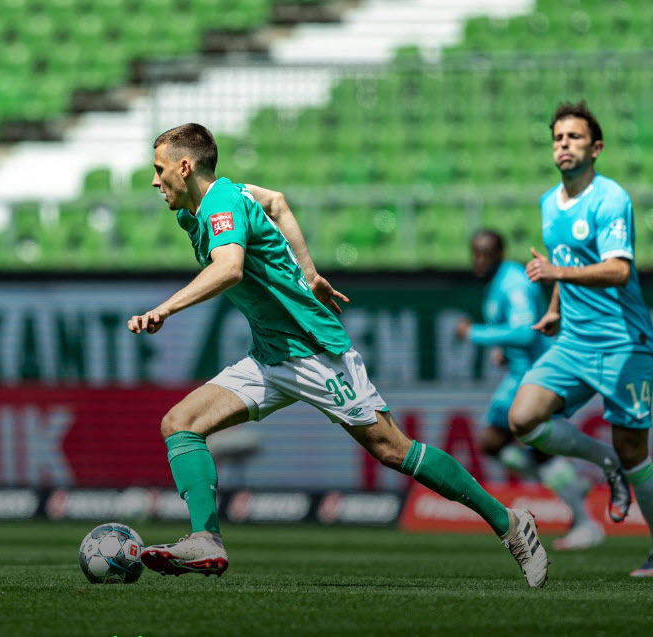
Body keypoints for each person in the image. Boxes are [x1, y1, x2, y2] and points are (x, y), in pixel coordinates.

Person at [127, 123, 548, 587]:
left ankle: (510, 524)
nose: (154, 180)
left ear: (184, 167)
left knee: (393, 449)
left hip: (313, 351)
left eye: (158, 169)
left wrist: (165, 308)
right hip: (270, 355)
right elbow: (278, 202)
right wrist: (309, 273)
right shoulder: (213, 202)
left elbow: (230, 268)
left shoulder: (221, 204)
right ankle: (205, 539)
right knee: (179, 424)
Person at [508, 101, 653, 577]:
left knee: (637, 451)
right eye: (557, 138)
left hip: (622, 344)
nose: (563, 145)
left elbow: (617, 269)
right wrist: (553, 309)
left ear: (597, 147)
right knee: (523, 418)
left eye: (573, 137)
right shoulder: (550, 202)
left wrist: (556, 273)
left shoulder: (610, 199)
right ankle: (604, 462)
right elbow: (563, 264)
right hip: (573, 342)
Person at [456, 230, 603, 550]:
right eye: (476, 253)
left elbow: (525, 332)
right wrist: (503, 351)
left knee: (497, 442)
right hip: (521, 372)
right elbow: (517, 332)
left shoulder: (513, 282)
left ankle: (585, 517)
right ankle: (575, 494)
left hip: (533, 376)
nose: (480, 260)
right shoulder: (499, 282)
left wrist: (474, 334)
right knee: (525, 450)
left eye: (486, 253)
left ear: (500, 253)